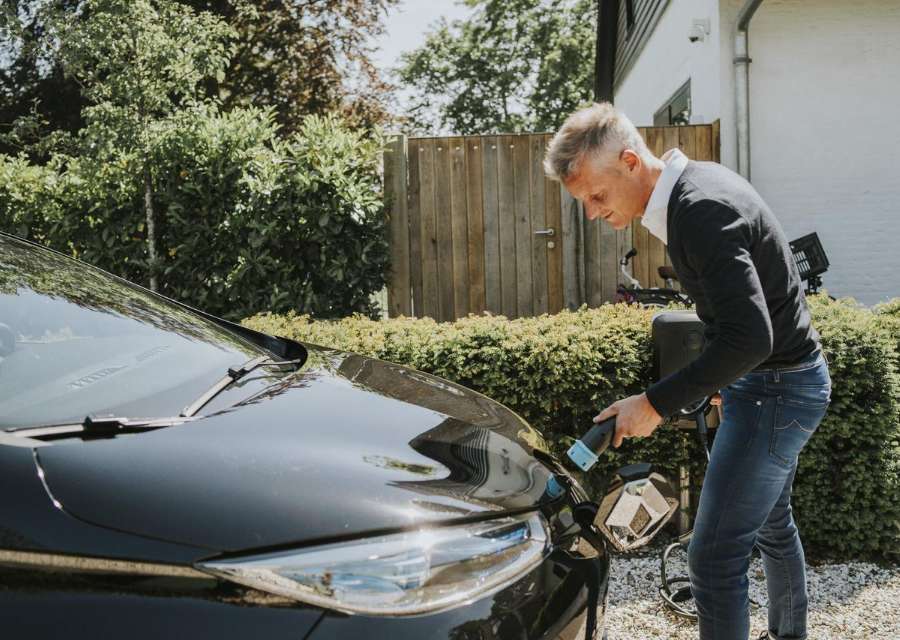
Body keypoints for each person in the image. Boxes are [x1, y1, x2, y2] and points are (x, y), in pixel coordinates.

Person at [543, 103, 830, 640]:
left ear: (630, 160)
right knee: (772, 523)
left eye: (596, 196)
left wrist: (652, 404)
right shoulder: (697, 187)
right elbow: (750, 319)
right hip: (778, 380)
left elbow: (751, 337)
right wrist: (723, 379)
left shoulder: (699, 211)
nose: (591, 213)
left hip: (777, 390)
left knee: (713, 560)